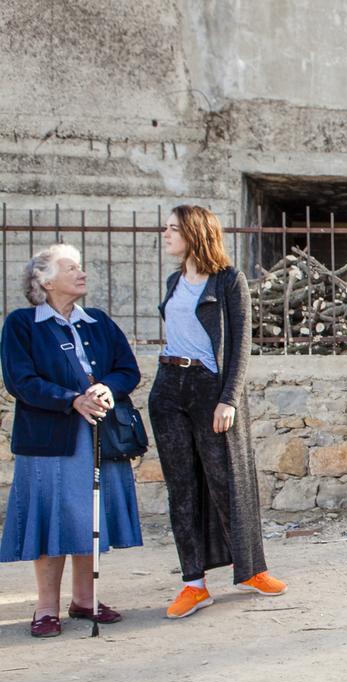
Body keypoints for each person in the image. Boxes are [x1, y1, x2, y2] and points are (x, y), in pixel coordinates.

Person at [151, 205, 286, 618]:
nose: (166, 234)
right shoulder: (175, 280)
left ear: (194, 233)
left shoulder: (229, 280)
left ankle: (251, 569)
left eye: (173, 228)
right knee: (182, 488)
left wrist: (228, 399)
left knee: (227, 481)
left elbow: (241, 344)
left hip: (210, 388)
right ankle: (193, 583)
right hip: (169, 386)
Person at [1, 244, 143, 637]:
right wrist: (72, 400)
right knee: (51, 519)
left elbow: (127, 369)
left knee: (90, 515)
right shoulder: (21, 324)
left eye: (80, 266)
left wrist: (107, 390)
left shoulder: (98, 321)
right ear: (44, 280)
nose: (81, 273)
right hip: (49, 437)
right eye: (71, 267)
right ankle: (46, 607)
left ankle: (85, 598)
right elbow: (21, 381)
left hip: (99, 432)